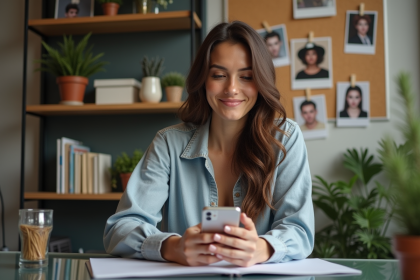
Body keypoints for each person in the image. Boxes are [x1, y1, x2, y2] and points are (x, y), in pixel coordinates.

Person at [104, 21, 314, 267]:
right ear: (203, 80)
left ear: (261, 82)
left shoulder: (285, 139)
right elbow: (119, 229)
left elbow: (299, 230)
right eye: (219, 75)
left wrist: (262, 248)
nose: (232, 89)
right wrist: (174, 247)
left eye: (246, 76)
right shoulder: (168, 143)